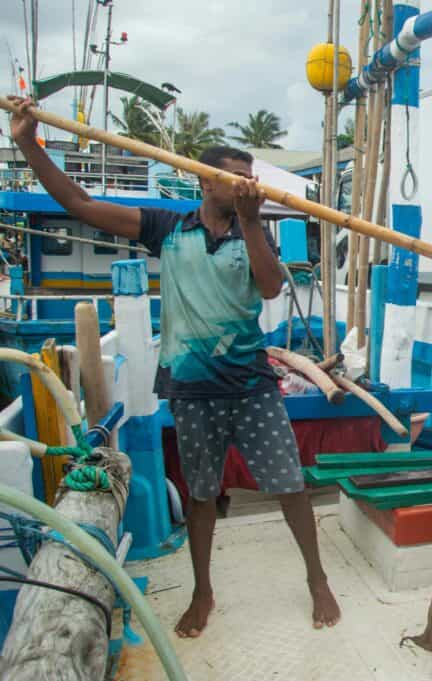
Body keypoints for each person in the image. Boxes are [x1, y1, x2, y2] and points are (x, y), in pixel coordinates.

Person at [7, 97, 341, 637]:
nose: (244, 186)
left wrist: (254, 225)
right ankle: (202, 592)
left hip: (252, 386)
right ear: (205, 183)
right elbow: (80, 204)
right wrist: (27, 142)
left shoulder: (253, 231)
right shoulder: (168, 227)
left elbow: (272, 286)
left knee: (289, 485)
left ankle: (317, 578)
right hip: (191, 390)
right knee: (202, 496)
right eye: (232, 178)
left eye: (248, 178)